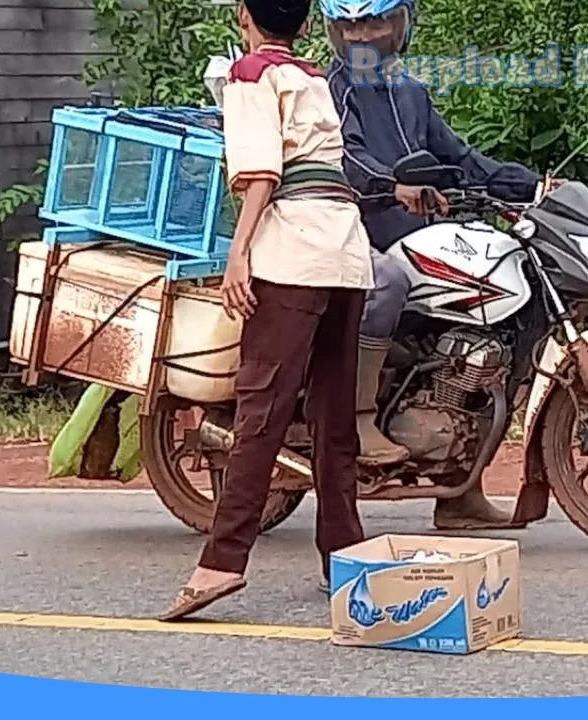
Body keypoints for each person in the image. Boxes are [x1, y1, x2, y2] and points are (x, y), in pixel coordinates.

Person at [158, 0, 374, 621]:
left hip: (292, 255)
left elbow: (261, 175)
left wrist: (238, 253)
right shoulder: (313, 77)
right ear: (306, 25)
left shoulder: (249, 74)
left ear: (241, 15)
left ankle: (221, 563)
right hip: (346, 253)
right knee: (335, 419)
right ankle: (346, 559)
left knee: (261, 411)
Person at [320, 0, 546, 530]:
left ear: (400, 23)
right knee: (390, 282)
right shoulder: (334, 90)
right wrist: (391, 186)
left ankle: (460, 494)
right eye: (349, 24)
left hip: (414, 231)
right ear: (332, 29)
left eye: (373, 21)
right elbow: (343, 157)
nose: (362, 36)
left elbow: (460, 160)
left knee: (497, 319)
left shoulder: (410, 91)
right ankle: (360, 418)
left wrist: (534, 187)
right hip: (354, 229)